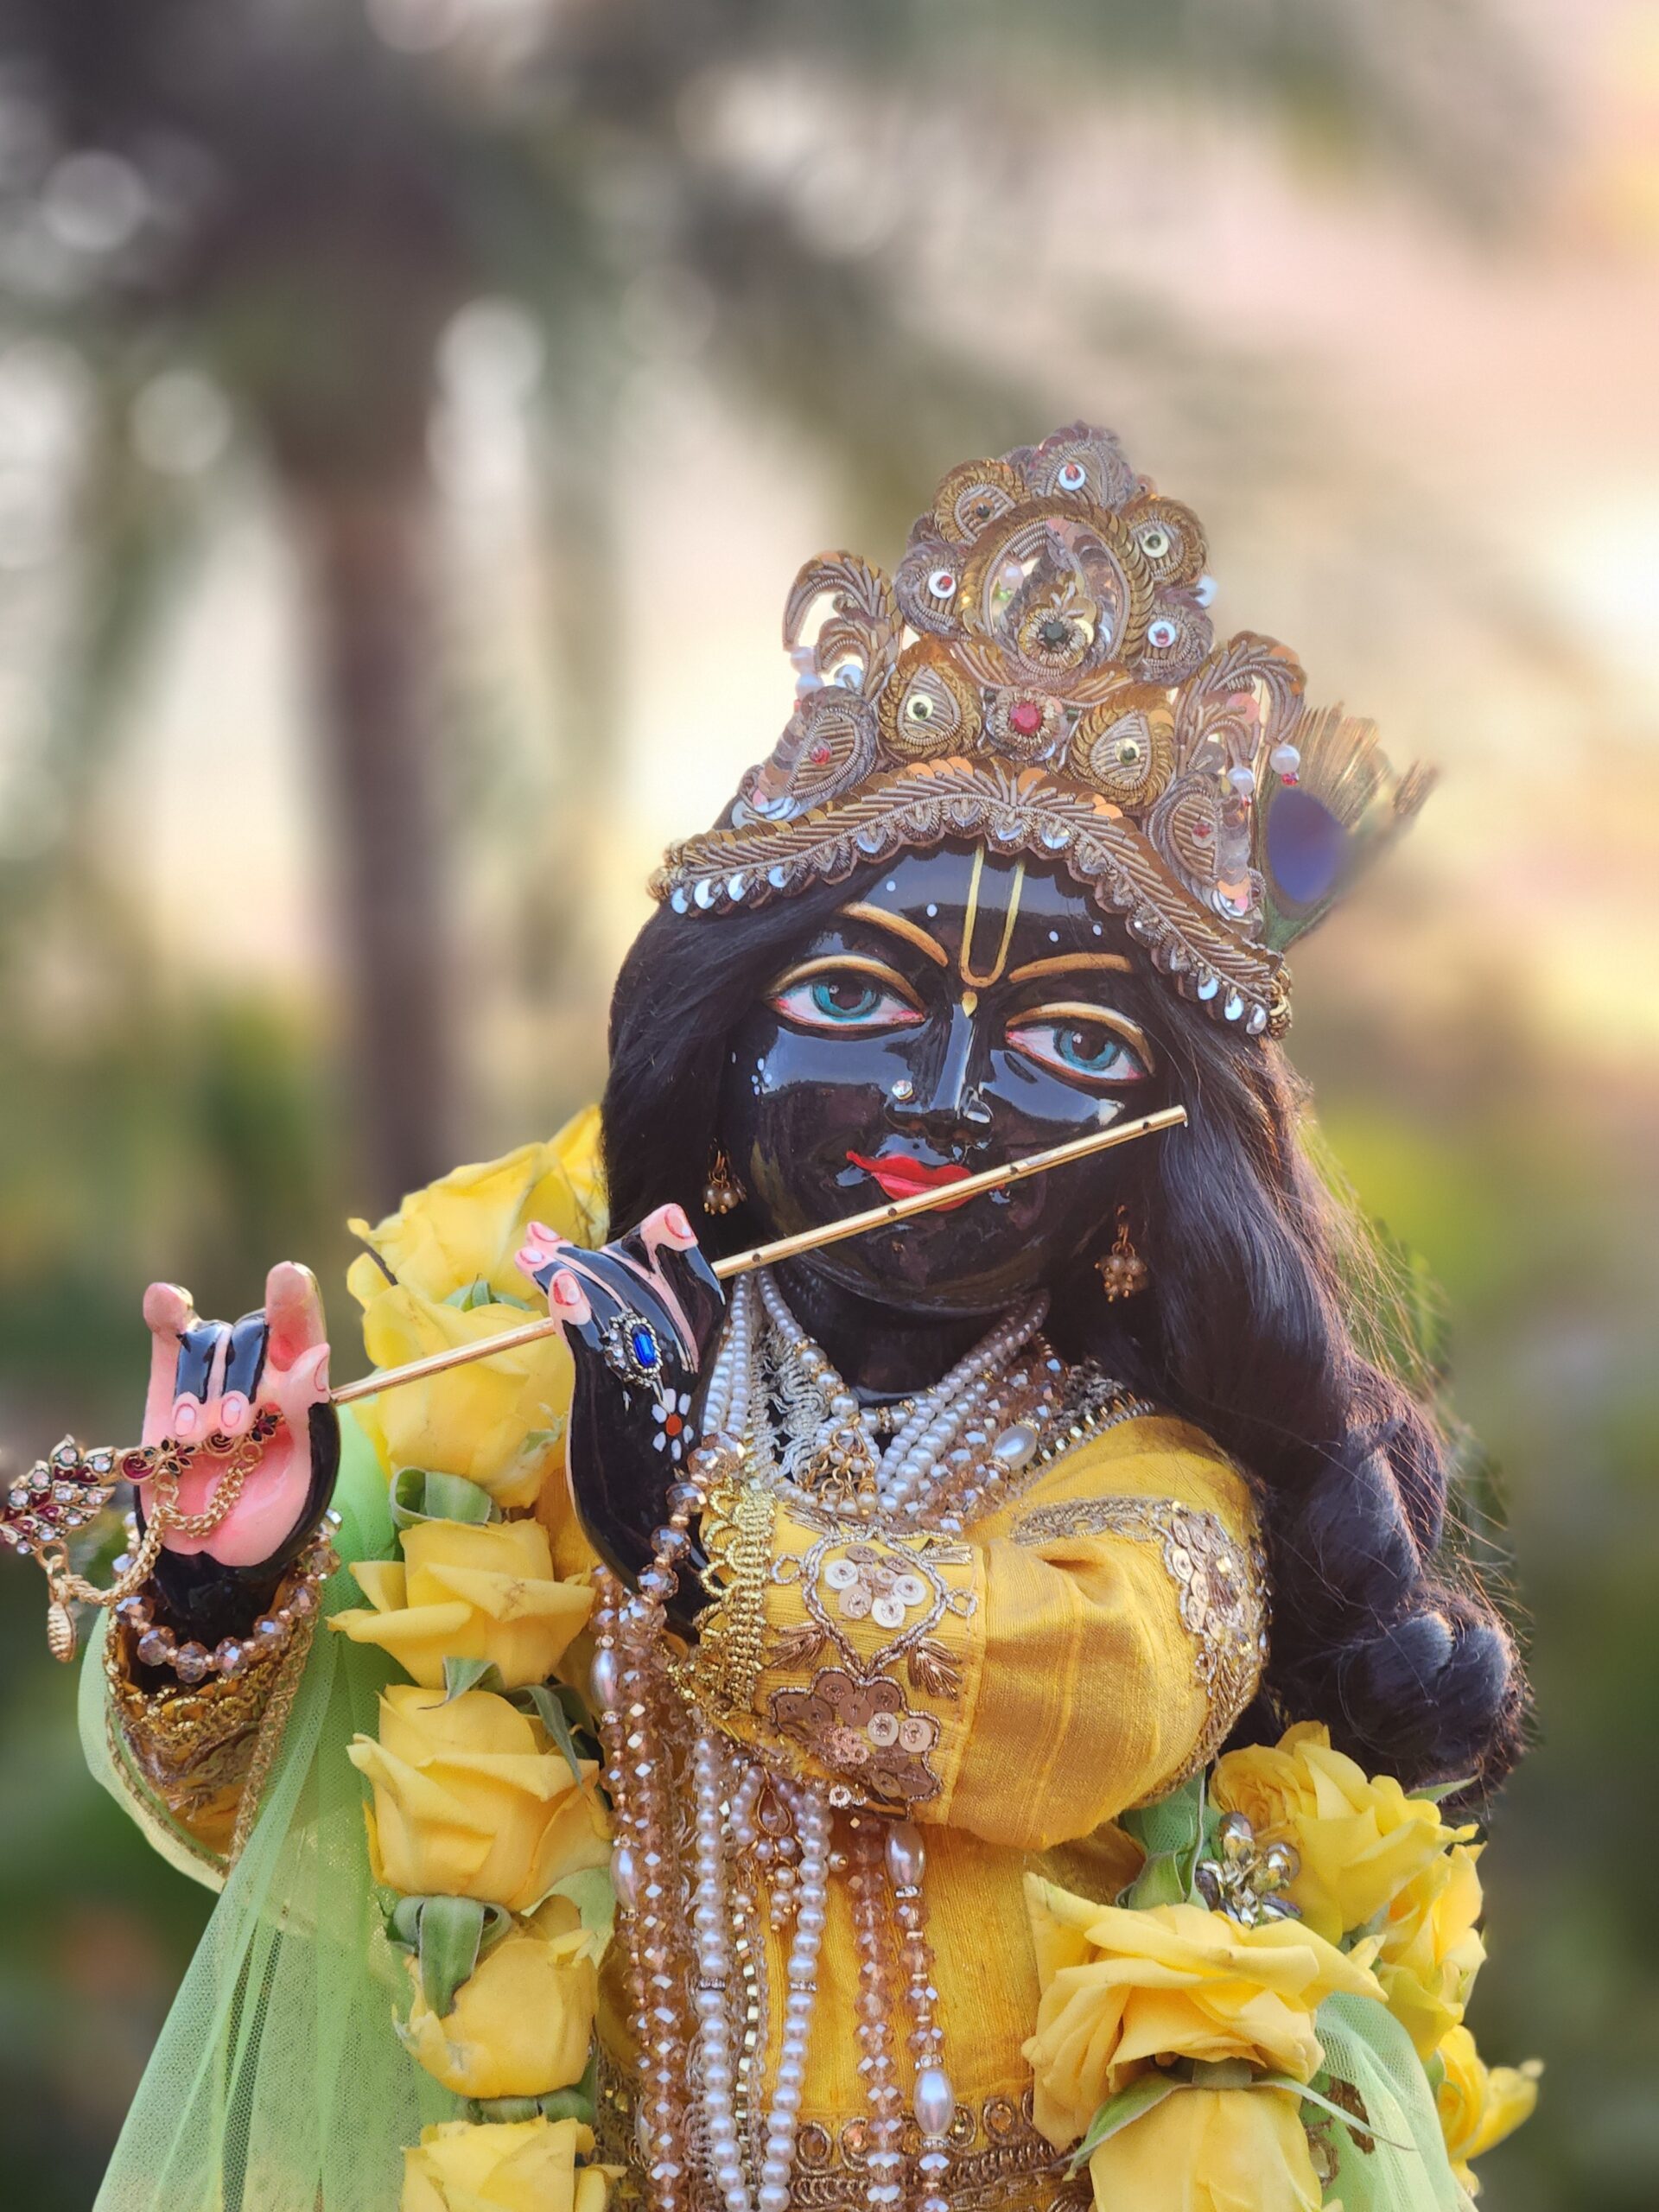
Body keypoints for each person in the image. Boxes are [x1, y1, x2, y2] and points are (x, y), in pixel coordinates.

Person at [31, 424, 1539, 2212]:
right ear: (719, 1061)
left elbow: (1089, 1696)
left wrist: (683, 1530)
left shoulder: (1145, 1470)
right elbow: (295, 1837)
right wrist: (227, 1577)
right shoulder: (542, 1416)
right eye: (856, 1000)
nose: (946, 1096)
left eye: (1064, 1042)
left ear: (1153, 1171)